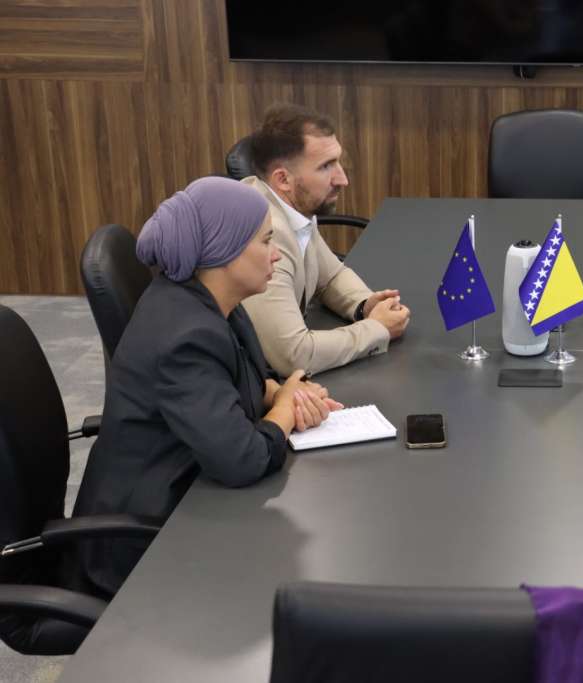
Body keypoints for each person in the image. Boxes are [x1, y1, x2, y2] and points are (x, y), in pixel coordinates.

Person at [73, 177, 344, 598]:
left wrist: (279, 393)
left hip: (185, 496)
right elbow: (243, 460)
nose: (276, 254)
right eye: (265, 241)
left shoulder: (213, 303)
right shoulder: (185, 337)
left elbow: (239, 377)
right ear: (225, 252)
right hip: (140, 546)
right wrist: (286, 410)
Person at [240, 104, 410, 376]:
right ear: (283, 179)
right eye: (326, 166)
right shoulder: (264, 232)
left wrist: (366, 305)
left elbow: (330, 277)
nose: (342, 179)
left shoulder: (292, 207)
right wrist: (376, 329)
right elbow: (294, 355)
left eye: (338, 161)